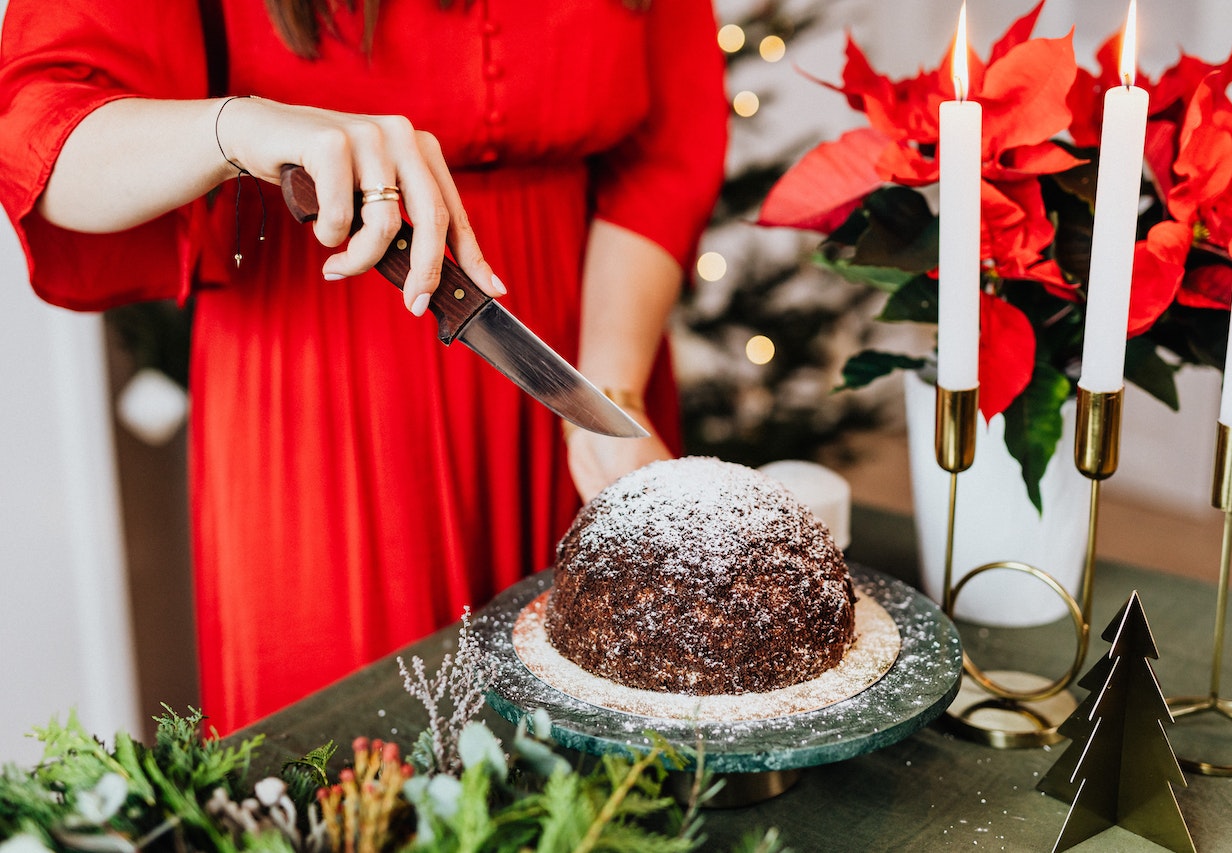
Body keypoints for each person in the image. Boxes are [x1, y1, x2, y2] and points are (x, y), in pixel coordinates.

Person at [0, 0, 727, 732]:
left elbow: (667, 149)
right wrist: (239, 127)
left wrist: (605, 381)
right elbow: (43, 139)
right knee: (356, 766)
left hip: (575, 339)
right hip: (322, 393)